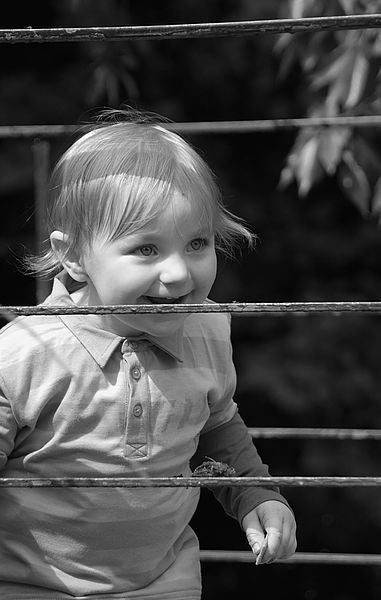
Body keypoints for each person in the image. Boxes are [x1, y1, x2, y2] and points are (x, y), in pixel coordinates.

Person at [0, 111, 296, 599]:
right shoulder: (30, 351)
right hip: (32, 583)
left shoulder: (206, 328)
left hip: (162, 579)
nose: (179, 274)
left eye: (198, 243)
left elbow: (215, 427)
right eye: (145, 250)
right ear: (73, 255)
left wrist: (254, 495)